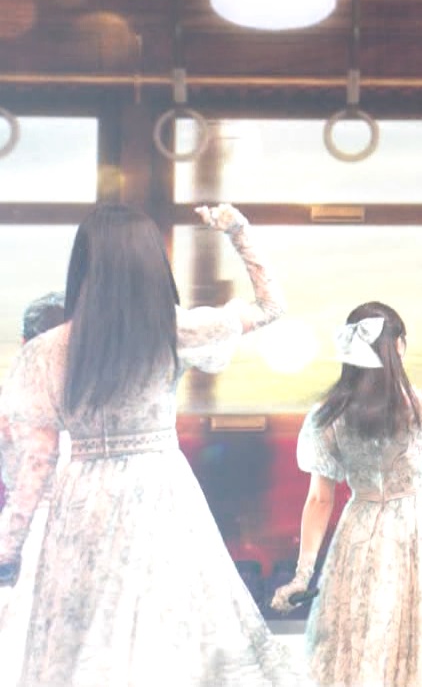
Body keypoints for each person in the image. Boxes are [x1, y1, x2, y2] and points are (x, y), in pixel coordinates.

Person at [0, 203, 301, 686]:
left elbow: (35, 463)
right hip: (162, 496)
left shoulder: (47, 351)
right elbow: (270, 306)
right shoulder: (174, 330)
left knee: (85, 647)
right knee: (166, 638)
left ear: (83, 265)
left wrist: (8, 549)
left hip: (82, 505)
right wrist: (238, 231)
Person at [268, 297, 422, 687]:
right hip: (418, 531)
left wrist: (302, 575)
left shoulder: (329, 416)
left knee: (364, 639)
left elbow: (320, 499)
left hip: (360, 534)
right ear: (399, 346)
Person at [0, 292, 69, 687]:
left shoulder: (12, 402)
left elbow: (29, 476)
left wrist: (8, 545)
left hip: (29, 530)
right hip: (88, 524)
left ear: (27, 344)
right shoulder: (95, 399)